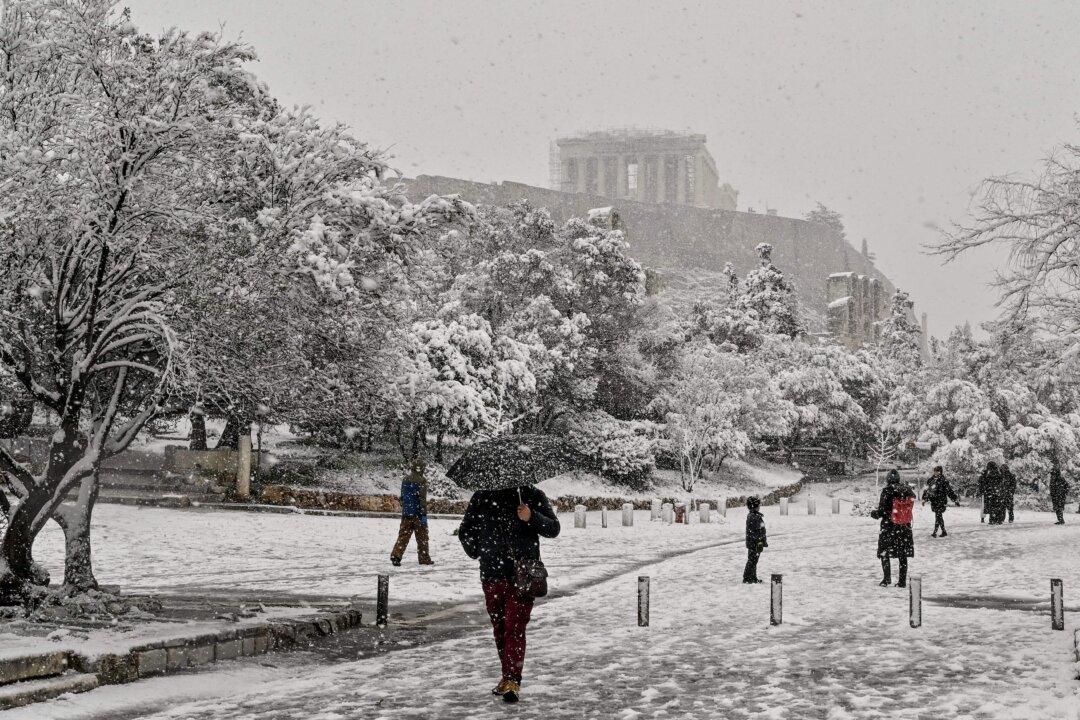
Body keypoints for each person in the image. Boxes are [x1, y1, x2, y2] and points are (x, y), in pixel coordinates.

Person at [459, 484, 560, 704]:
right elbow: (466, 530)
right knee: (500, 627)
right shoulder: (482, 495)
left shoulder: (531, 495)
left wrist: (531, 516)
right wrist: (478, 550)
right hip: (492, 574)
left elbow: (553, 528)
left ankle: (513, 679)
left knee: (515, 627)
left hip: (522, 576)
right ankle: (507, 676)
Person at [871, 469, 915, 587]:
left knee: (884, 552)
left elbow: (882, 511)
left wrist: (875, 514)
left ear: (888, 479)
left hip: (889, 527)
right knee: (903, 554)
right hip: (904, 527)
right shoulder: (907, 490)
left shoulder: (887, 491)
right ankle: (902, 581)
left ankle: (886, 579)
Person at [390, 455, 433, 566]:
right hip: (418, 514)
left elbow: (403, 496)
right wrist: (423, 514)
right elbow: (422, 498)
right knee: (422, 537)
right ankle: (424, 558)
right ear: (421, 468)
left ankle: (396, 555)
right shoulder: (422, 480)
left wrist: (406, 508)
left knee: (403, 536)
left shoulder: (405, 479)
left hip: (406, 513)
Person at [922, 465, 958, 537]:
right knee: (938, 516)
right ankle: (943, 532)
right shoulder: (931, 480)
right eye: (935, 471)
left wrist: (954, 499)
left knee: (938, 515)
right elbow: (927, 490)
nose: (936, 472)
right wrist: (924, 499)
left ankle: (935, 532)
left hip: (941, 500)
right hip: (934, 500)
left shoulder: (943, 480)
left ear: (940, 472)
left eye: (938, 471)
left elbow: (949, 491)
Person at [743, 496, 767, 583]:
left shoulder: (753, 516)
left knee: (753, 561)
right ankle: (748, 578)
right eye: (758, 505)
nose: (759, 506)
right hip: (755, 543)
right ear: (755, 506)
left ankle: (752, 577)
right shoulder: (754, 517)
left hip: (754, 542)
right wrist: (760, 542)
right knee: (752, 561)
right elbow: (757, 532)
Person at [1049, 460, 1069, 525]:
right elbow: (1051, 488)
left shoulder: (1061, 479)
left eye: (1053, 473)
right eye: (1052, 474)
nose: (1052, 475)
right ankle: (1060, 520)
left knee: (1059, 508)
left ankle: (1061, 520)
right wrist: (1052, 494)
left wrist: (1064, 493)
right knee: (1056, 508)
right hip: (1055, 496)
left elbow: (1067, 486)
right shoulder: (1052, 480)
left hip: (1060, 496)